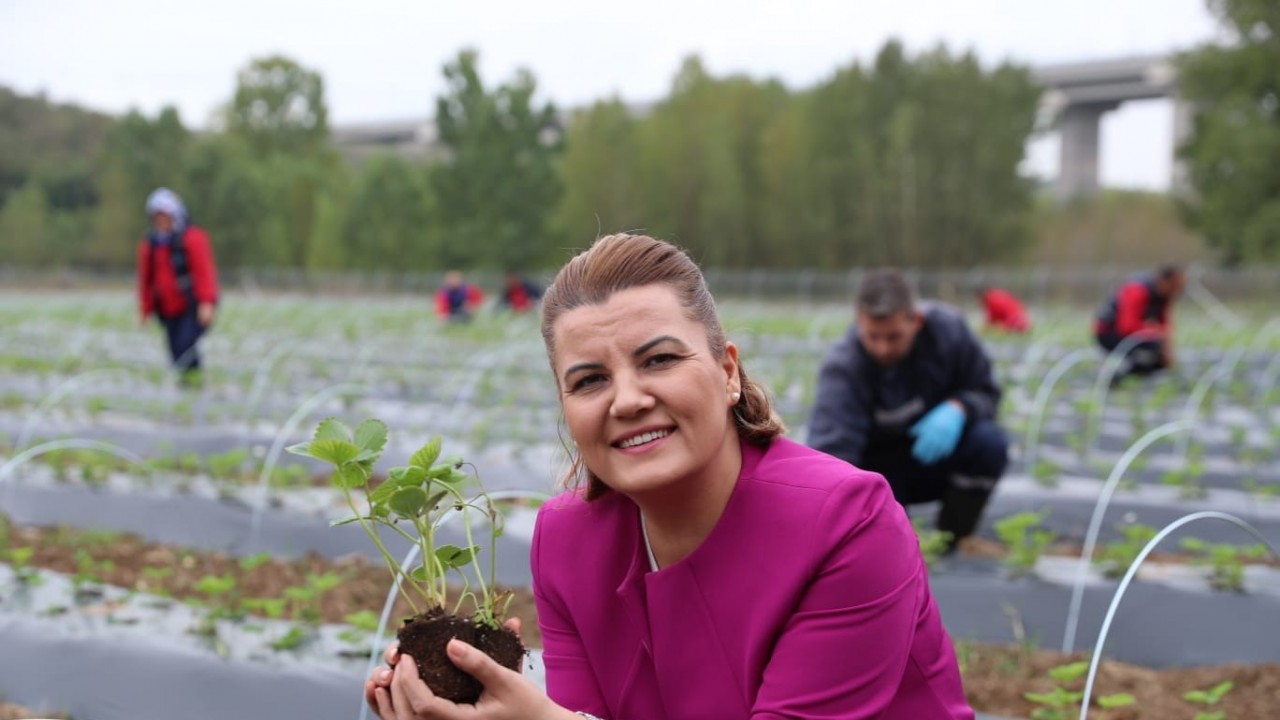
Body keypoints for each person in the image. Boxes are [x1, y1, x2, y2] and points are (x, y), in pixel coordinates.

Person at [365, 234, 974, 719]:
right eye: (589, 380)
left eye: (659, 359)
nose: (628, 400)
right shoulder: (567, 543)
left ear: (727, 372)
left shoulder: (846, 524)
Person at [807, 269, 1008, 554]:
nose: (883, 348)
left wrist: (960, 407)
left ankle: (950, 541)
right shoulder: (844, 367)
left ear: (917, 320)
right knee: (891, 549)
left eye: (894, 337)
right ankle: (896, 544)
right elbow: (834, 454)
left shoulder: (948, 334)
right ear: (859, 321)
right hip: (879, 472)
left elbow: (987, 391)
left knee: (988, 444)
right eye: (873, 336)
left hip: (935, 458)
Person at [136, 187, 219, 382]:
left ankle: (194, 381)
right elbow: (146, 280)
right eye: (157, 217)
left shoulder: (192, 239)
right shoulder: (150, 245)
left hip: (192, 305)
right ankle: (187, 383)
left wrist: (207, 302)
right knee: (175, 351)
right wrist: (145, 309)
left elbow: (204, 272)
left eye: (165, 217)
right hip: (167, 308)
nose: (161, 222)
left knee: (186, 345)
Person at [1093, 265, 1186, 382]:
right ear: (1165, 281)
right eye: (1176, 286)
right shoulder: (1137, 289)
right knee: (1153, 348)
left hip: (1130, 333)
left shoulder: (1164, 295)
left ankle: (1130, 377)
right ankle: (1115, 374)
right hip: (1109, 332)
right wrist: (1156, 334)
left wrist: (1167, 344)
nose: (1178, 291)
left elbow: (1164, 323)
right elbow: (1127, 326)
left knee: (1160, 356)